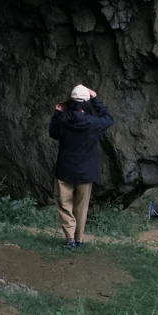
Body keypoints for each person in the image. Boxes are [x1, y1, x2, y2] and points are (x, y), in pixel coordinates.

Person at [49, 84, 113, 250]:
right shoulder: (94, 123)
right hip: (86, 172)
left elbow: (53, 133)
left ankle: (70, 239)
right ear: (86, 103)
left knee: (65, 205)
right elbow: (108, 119)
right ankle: (78, 239)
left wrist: (57, 112)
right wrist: (96, 99)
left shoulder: (63, 120)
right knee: (81, 206)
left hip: (65, 170)